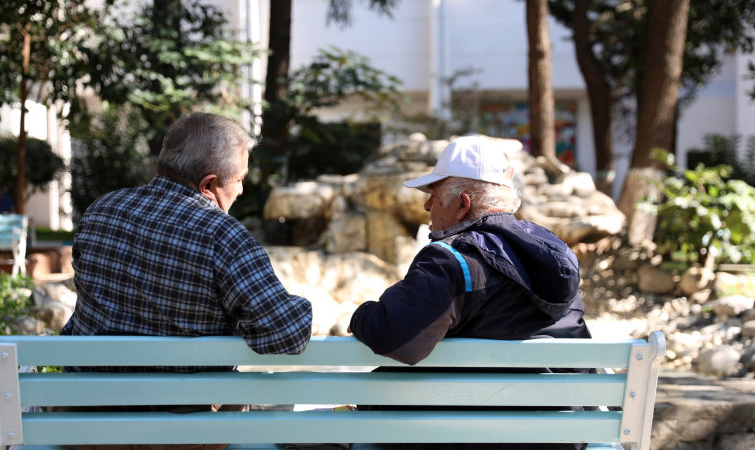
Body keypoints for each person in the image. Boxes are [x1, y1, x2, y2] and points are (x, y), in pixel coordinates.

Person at [60, 113, 313, 448]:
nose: (241, 189)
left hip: (87, 426)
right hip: (180, 439)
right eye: (239, 179)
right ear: (209, 185)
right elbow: (288, 335)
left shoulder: (100, 212)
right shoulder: (224, 237)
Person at [348, 135, 592, 450]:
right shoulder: (551, 256)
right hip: (561, 438)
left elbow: (395, 337)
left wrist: (360, 315)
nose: (426, 206)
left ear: (462, 204)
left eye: (433, 196)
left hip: (478, 440)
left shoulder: (451, 260)